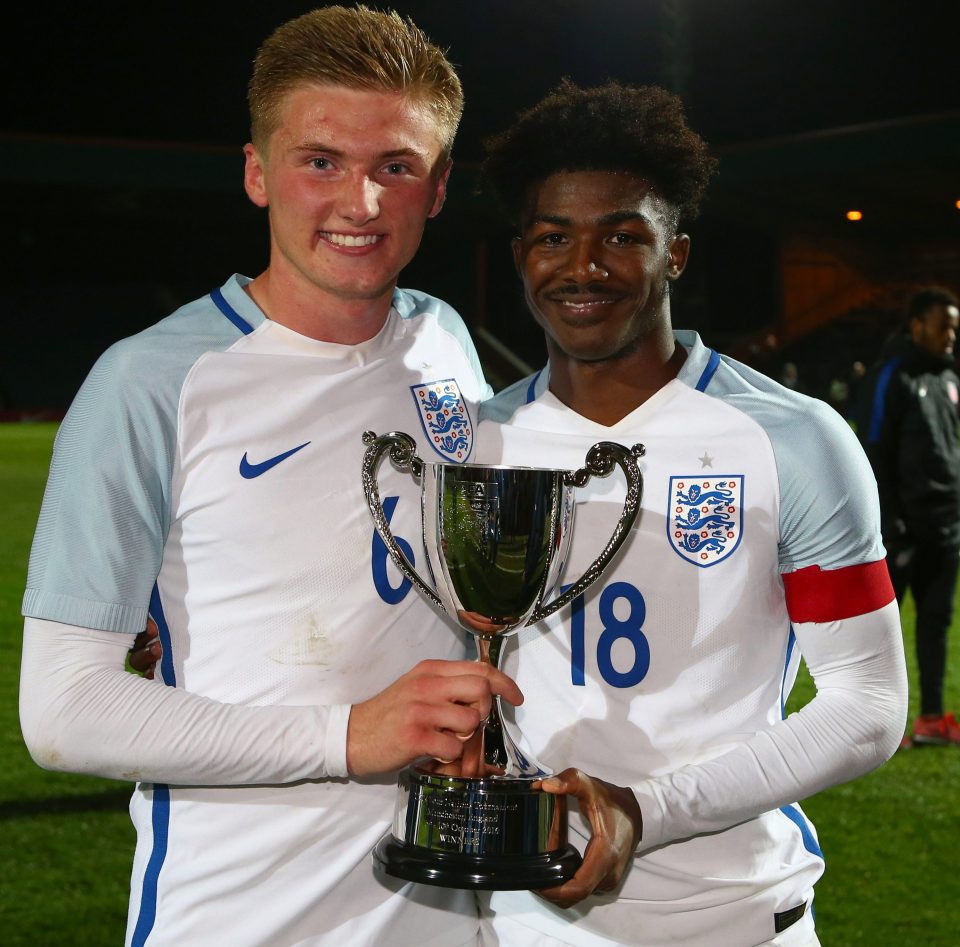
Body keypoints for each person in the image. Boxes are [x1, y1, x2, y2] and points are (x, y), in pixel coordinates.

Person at [18, 7, 523, 946]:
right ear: (257, 173)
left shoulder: (445, 341)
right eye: (321, 160)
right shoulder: (153, 381)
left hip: (449, 915)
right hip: (242, 915)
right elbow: (62, 710)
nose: (361, 202)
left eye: (396, 167)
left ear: (440, 187)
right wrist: (347, 733)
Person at [471, 80, 908, 947]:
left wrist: (649, 809)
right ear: (522, 253)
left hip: (736, 916)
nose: (583, 265)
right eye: (555, 236)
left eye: (622, 236)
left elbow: (869, 703)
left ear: (675, 254)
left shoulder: (792, 439)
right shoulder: (480, 443)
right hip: (524, 915)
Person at [859, 286, 960, 746]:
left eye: (954, 327)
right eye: (944, 326)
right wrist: (892, 523)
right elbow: (873, 451)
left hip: (945, 525)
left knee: (937, 620)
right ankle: (881, 721)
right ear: (918, 324)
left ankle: (933, 718)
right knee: (886, 625)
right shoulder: (891, 376)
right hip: (903, 530)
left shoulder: (948, 379)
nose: (951, 335)